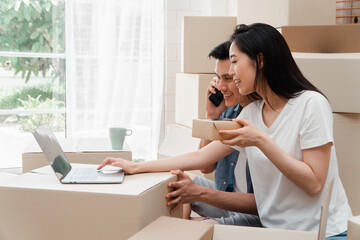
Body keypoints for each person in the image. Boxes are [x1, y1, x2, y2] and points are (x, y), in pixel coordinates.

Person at [98, 23, 352, 239]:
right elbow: (202, 158)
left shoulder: (311, 104)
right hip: (277, 231)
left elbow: (314, 183)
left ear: (260, 60)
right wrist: (138, 166)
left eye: (234, 61)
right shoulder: (251, 113)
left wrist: (260, 141)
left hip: (323, 233)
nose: (229, 73)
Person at [181, 40, 261, 227]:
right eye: (219, 78)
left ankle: (192, 226)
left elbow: (263, 204)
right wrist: (212, 116)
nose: (222, 87)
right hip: (224, 196)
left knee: (200, 226)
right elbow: (206, 167)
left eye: (228, 78)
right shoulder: (229, 111)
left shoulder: (259, 117)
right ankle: (184, 225)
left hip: (247, 208)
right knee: (177, 179)